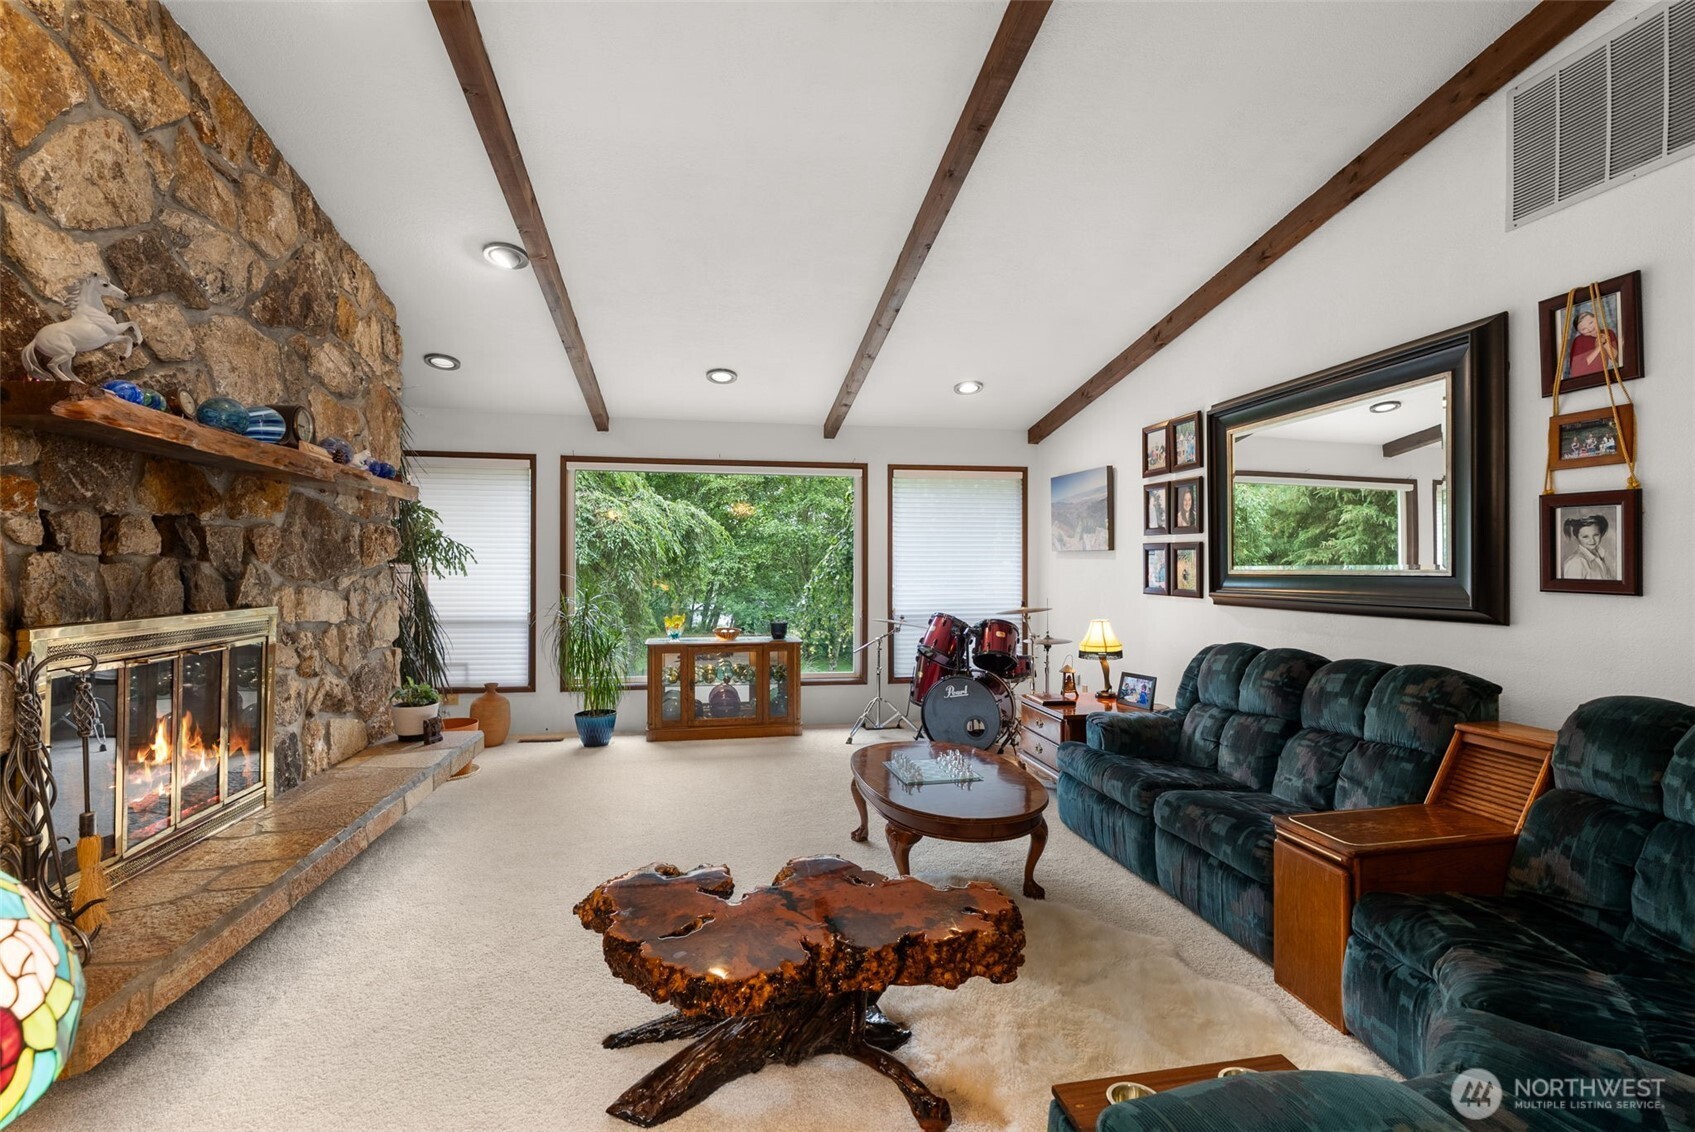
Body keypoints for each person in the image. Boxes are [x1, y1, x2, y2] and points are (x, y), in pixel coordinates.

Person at [1566, 308, 1619, 381]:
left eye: (1591, 323)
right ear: (1580, 332)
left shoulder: (1609, 333)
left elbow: (1618, 359)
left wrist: (1606, 344)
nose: (1590, 329)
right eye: (1584, 329)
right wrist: (1598, 348)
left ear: (1596, 319)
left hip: (1610, 376)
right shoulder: (1579, 340)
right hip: (1590, 379)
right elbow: (1576, 370)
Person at [1561, 513, 1617, 580]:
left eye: (1596, 535)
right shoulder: (1576, 562)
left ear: (1601, 534)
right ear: (1577, 538)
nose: (1592, 540)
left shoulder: (1601, 555)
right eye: (1585, 537)